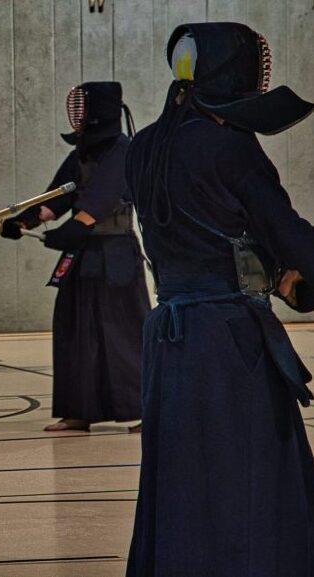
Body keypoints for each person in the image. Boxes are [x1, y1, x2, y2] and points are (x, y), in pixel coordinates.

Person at [126, 23, 314, 576]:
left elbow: (210, 232)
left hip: (170, 338)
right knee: (246, 475)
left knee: (185, 475)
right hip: (230, 343)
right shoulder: (228, 144)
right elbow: (286, 234)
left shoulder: (144, 147)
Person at [0, 82, 149, 433]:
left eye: (84, 109)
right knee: (75, 330)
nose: (78, 117)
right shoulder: (81, 153)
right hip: (84, 255)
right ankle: (79, 410)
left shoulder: (123, 149)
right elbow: (59, 195)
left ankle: (145, 408)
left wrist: (76, 228)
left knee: (122, 332)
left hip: (115, 256)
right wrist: (26, 219)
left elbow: (99, 200)